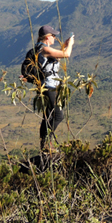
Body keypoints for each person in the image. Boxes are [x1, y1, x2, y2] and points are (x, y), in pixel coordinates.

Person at [33, 25, 74, 154]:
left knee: (49, 116)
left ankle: (45, 145)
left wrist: (65, 45)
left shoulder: (42, 49)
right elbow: (66, 55)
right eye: (53, 36)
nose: (55, 38)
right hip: (49, 86)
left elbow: (56, 57)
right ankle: (46, 145)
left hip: (48, 85)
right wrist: (71, 44)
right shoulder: (44, 49)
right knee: (57, 115)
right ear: (47, 37)